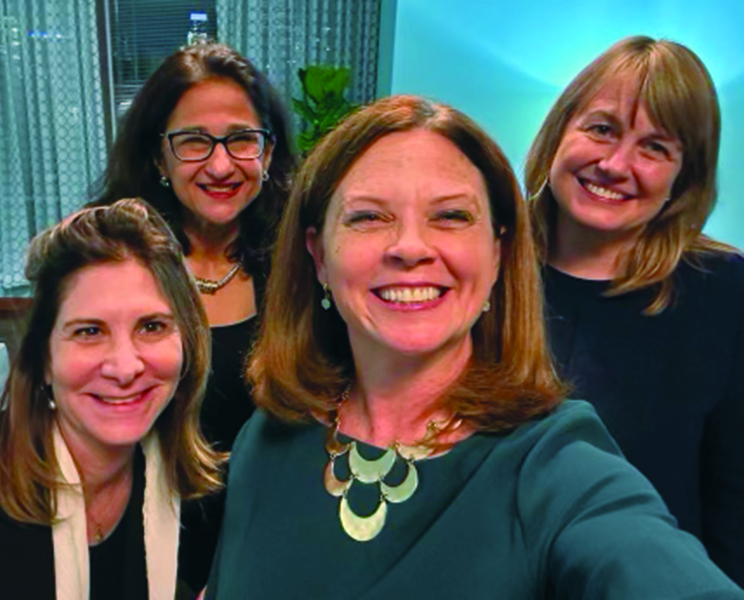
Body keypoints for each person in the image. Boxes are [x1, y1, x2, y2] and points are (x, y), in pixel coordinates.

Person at [205, 95, 743, 598]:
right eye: (369, 216)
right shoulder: (267, 435)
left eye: (451, 216)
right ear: (318, 255)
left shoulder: (554, 465)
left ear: (498, 254)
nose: (410, 247)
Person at [525, 35, 744, 585]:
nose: (616, 164)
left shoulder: (725, 292)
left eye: (655, 148)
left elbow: (735, 497)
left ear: (682, 179)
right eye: (601, 129)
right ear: (559, 132)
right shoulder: (478, 263)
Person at [0, 199, 224, 599]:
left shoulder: (196, 494)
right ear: (43, 357)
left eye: (152, 326)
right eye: (89, 331)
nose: (125, 367)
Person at [93, 42, 297, 451]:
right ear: (158, 157)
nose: (220, 166)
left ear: (268, 152)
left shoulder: (304, 258)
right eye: (193, 141)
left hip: (268, 503)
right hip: (142, 503)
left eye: (241, 139)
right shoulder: (105, 259)